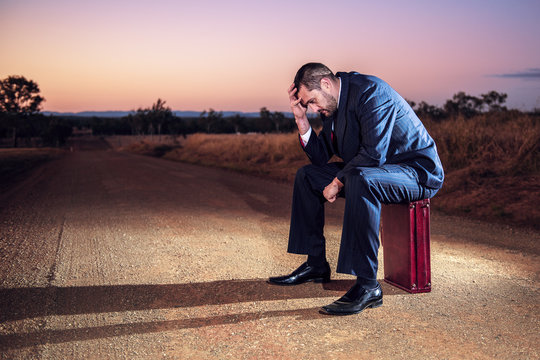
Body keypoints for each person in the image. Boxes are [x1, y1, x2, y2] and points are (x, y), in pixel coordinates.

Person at [268, 63, 444, 315]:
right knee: (308, 176)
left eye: (312, 102)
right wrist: (301, 119)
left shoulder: (372, 92)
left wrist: (338, 182)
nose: (314, 108)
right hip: (376, 172)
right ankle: (316, 264)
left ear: (326, 84)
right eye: (309, 106)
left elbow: (373, 155)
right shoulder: (331, 106)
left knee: (362, 178)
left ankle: (368, 286)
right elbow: (319, 158)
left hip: (416, 172)